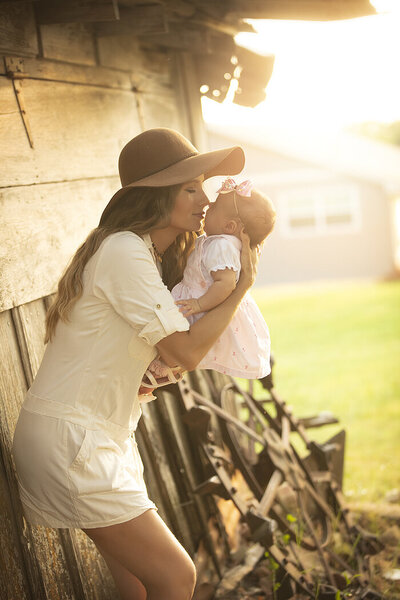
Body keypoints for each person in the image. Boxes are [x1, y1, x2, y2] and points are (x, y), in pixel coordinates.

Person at [11, 128, 259, 600]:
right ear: (156, 195)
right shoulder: (124, 251)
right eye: (190, 188)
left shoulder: (140, 252)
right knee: (176, 577)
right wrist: (239, 288)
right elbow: (184, 351)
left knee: (141, 587)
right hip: (74, 441)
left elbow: (164, 354)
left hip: (97, 436)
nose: (204, 199)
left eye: (202, 186)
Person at [141, 177, 276, 395]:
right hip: (205, 301)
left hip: (206, 304)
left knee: (177, 341)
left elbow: (225, 285)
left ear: (229, 226)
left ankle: (159, 370)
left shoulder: (221, 245)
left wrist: (198, 304)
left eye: (213, 207)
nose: (207, 205)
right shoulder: (217, 242)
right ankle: (159, 372)